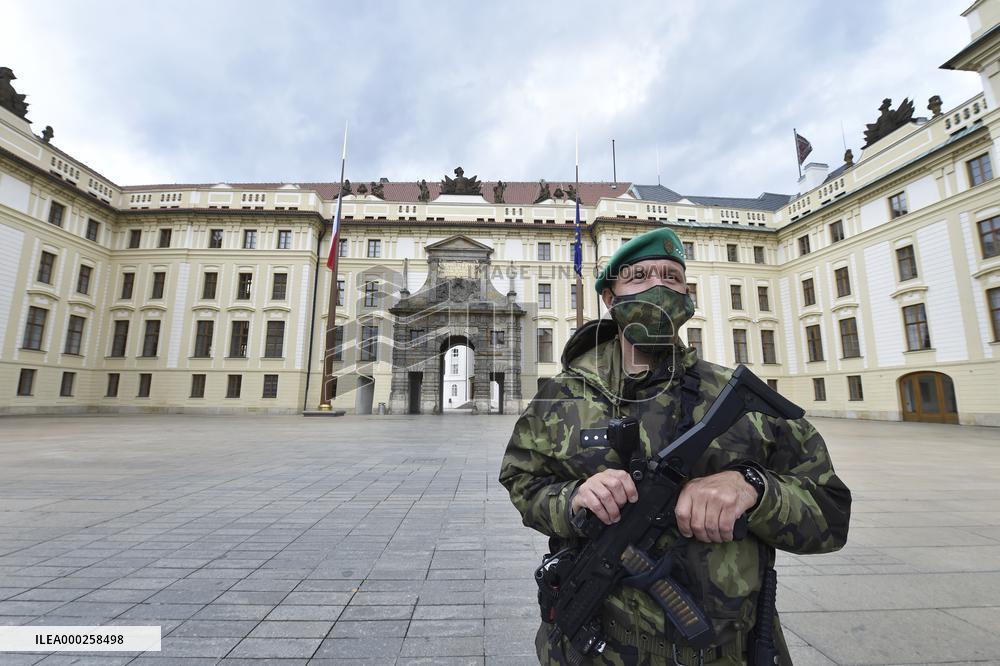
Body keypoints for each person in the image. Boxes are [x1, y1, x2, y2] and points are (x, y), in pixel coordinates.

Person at [499, 227, 851, 665]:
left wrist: (755, 489)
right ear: (610, 298)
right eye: (639, 275)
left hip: (727, 653)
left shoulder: (736, 399)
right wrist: (572, 500)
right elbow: (522, 482)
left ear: (688, 294)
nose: (658, 285)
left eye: (670, 275)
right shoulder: (562, 395)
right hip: (591, 650)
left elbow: (831, 515)